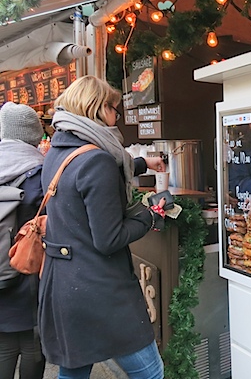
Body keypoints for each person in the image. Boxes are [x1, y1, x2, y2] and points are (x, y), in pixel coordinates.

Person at [39, 76, 167, 378]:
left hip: (64, 287)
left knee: (73, 373)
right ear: (97, 109)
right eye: (114, 109)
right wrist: (150, 214)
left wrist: (142, 163)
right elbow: (109, 239)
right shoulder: (97, 162)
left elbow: (89, 173)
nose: (117, 117)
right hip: (101, 292)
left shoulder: (58, 151)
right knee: (151, 373)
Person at [0, 102, 45, 379]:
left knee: (3, 343)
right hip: (26, 268)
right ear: (35, 135)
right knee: (31, 343)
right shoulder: (40, 172)